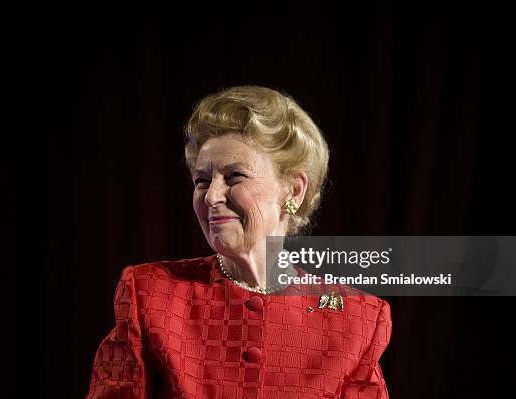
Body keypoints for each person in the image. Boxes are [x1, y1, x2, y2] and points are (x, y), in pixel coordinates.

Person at [84, 86, 392, 399]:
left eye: (234, 177)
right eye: (202, 181)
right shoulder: (150, 293)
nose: (212, 196)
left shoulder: (357, 318)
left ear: (293, 191)